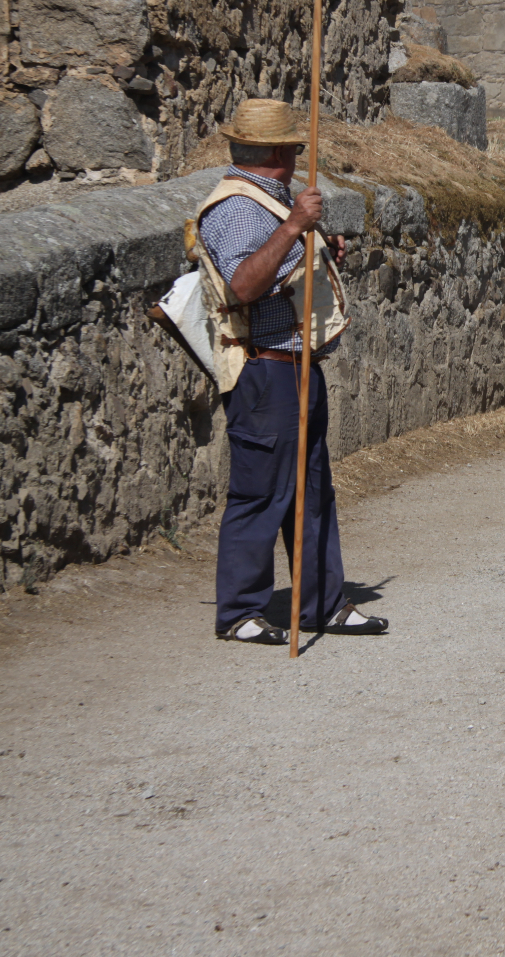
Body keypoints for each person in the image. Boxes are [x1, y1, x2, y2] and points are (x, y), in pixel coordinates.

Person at [197, 99, 388, 645]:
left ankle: (323, 603)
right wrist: (297, 227)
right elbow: (244, 285)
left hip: (296, 366)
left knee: (312, 491)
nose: (300, 158)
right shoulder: (236, 207)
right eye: (295, 150)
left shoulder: (269, 202)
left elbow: (280, 272)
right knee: (260, 493)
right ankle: (240, 612)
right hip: (264, 371)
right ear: (279, 152)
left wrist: (319, 248)